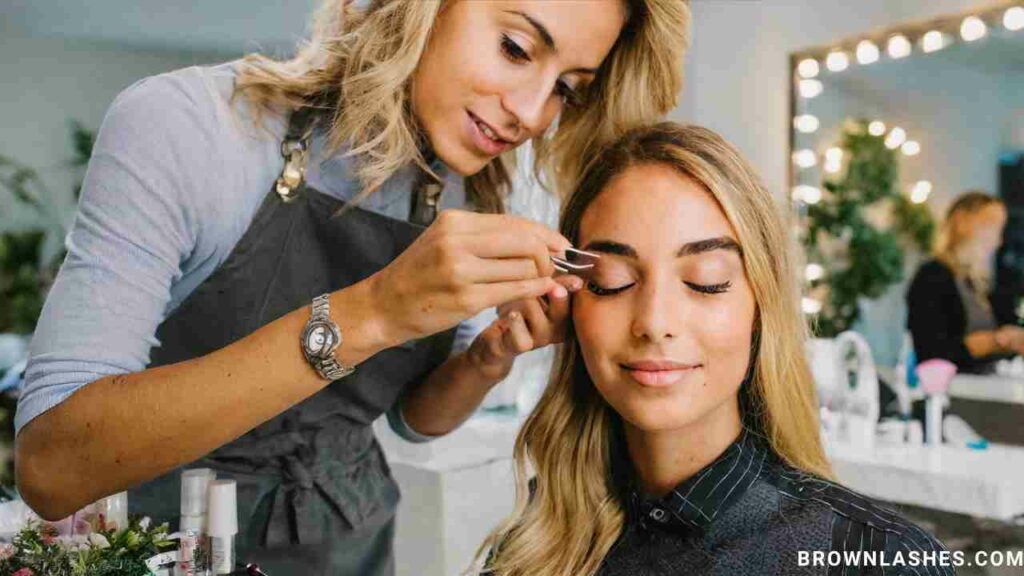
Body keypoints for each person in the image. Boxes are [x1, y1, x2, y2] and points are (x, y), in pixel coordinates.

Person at [14, 1, 691, 573]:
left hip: (351, 545)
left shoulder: (471, 190)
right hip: (179, 544)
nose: (531, 112)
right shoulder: (189, 129)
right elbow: (52, 467)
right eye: (515, 48)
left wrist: (488, 357)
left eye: (568, 88)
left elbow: (413, 421)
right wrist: (374, 313)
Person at [480, 123, 952, 576]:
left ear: (760, 305)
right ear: (570, 300)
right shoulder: (539, 536)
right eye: (612, 281)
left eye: (706, 282)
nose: (655, 323)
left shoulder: (879, 559)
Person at [908, 191, 1024, 374]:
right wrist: (991, 342)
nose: (998, 241)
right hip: (954, 392)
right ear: (963, 222)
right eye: (992, 227)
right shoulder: (932, 277)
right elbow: (932, 353)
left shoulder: (982, 284)